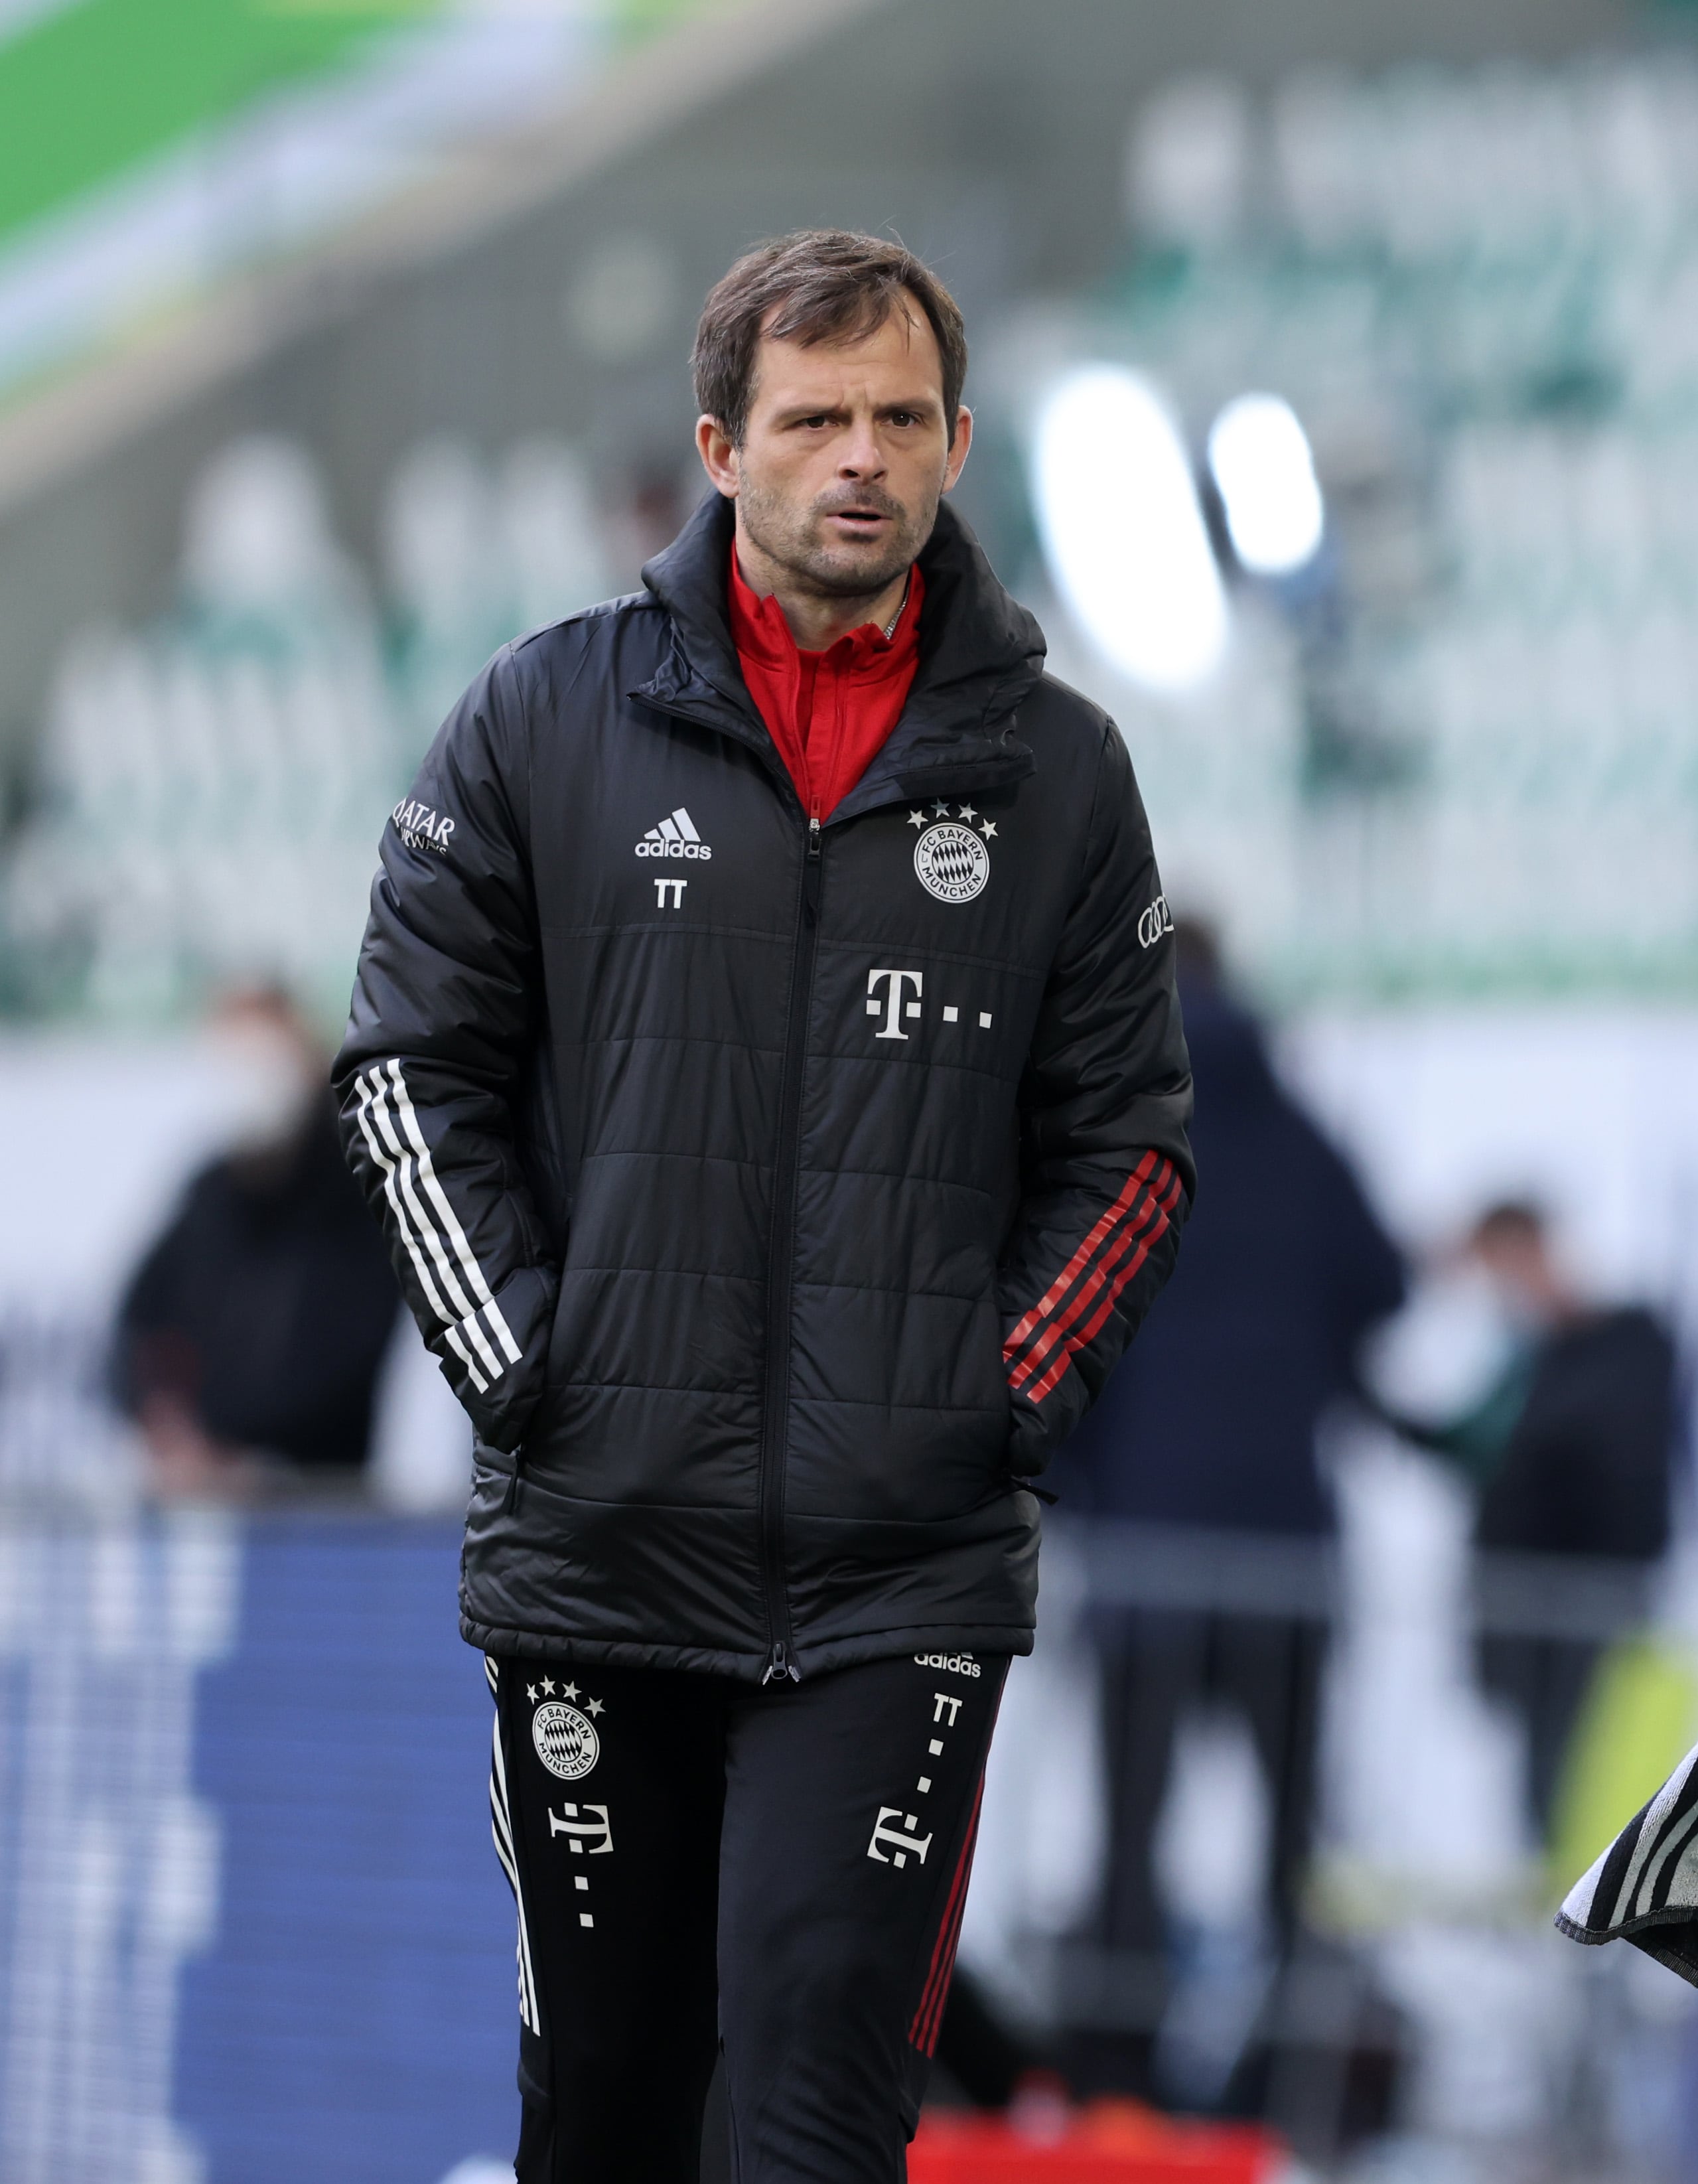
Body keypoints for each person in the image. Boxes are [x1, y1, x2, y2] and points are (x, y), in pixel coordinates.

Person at [335, 230, 1192, 2181]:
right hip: (597, 1548)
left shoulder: (1062, 774)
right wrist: (523, 1362)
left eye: (900, 417)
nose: (860, 458)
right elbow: (407, 1067)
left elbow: (1131, 1145)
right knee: (610, 2118)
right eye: (814, 419)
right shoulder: (537, 719)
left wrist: (987, 1400)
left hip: (901, 1577)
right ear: (722, 447)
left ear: (962, 443)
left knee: (815, 2113)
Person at [1053, 920, 1405, 2103]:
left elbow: (1060, 1326)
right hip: (1283, 1545)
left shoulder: (1109, 1130)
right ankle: (1282, 2076)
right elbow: (1385, 1278)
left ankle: (1117, 2080)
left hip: (1147, 1540)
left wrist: (1082, 1483)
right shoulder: (1297, 1126)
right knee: (1289, 1837)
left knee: (1128, 1827)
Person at [1406, 1200, 1679, 1842]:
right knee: (1543, 1784)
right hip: (1527, 1602)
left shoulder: (1626, 1344)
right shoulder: (1526, 1362)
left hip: (1593, 1599)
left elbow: (1566, 1451)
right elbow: (1471, 1445)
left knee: (1598, 1781)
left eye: (1504, 1264)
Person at [113, 983, 400, 1501]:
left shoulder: (356, 1189)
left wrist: (240, 1444)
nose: (244, 1082)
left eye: (260, 1060)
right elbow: (139, 1324)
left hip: (324, 1502)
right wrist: (167, 1419)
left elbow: (346, 1352)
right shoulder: (210, 1192)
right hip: (209, 1500)